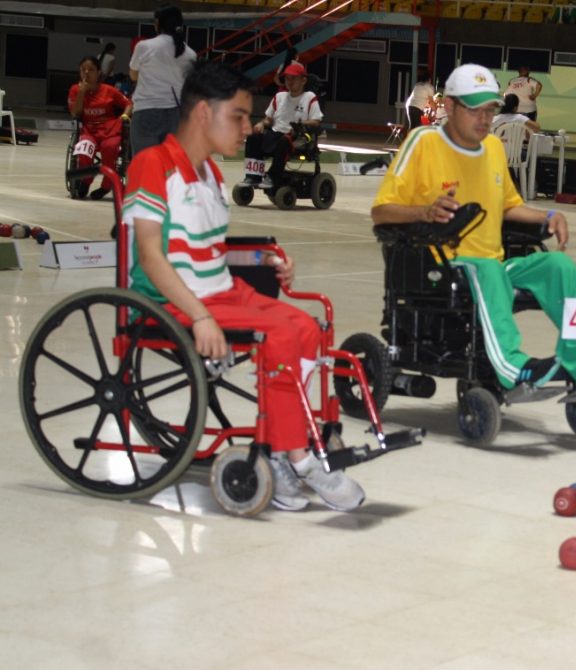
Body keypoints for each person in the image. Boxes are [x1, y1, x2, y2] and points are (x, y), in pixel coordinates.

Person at [123, 60, 365, 512]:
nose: (248, 127)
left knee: (307, 329)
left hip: (223, 293)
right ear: (201, 114)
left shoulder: (211, 174)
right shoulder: (152, 165)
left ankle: (281, 445)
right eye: (237, 116)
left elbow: (213, 248)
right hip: (171, 302)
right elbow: (152, 256)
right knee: (278, 336)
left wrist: (264, 258)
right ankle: (295, 455)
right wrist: (198, 315)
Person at [371, 63, 576, 391]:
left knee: (560, 267)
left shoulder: (494, 147)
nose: (484, 118)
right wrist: (424, 211)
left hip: (492, 265)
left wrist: (549, 217)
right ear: (450, 106)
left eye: (490, 109)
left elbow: (509, 204)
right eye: (475, 110)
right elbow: (381, 212)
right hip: (440, 266)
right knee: (488, 271)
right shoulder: (423, 142)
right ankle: (512, 365)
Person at [241, 62, 323, 188]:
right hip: (276, 133)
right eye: (287, 78)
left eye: (294, 78)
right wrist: (262, 123)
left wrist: (300, 124)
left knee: (285, 141)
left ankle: (273, 177)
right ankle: (253, 176)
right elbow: (269, 119)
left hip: (299, 136)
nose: (290, 82)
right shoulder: (279, 96)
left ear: (303, 80)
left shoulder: (309, 97)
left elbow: (316, 121)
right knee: (253, 136)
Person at [129, 5, 196, 155]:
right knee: (171, 168)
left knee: (145, 167)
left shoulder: (145, 47)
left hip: (147, 113)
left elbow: (133, 75)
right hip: (176, 116)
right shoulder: (191, 54)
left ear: (158, 23)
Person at [68, 56, 132, 200]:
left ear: (98, 73)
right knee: (84, 148)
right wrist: (82, 93)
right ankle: (86, 180)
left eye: (90, 69)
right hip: (89, 130)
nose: (86, 72)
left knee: (110, 148)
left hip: (109, 129)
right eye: (83, 69)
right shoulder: (75, 89)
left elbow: (128, 103)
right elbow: (75, 113)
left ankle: (106, 185)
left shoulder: (109, 90)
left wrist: (125, 116)